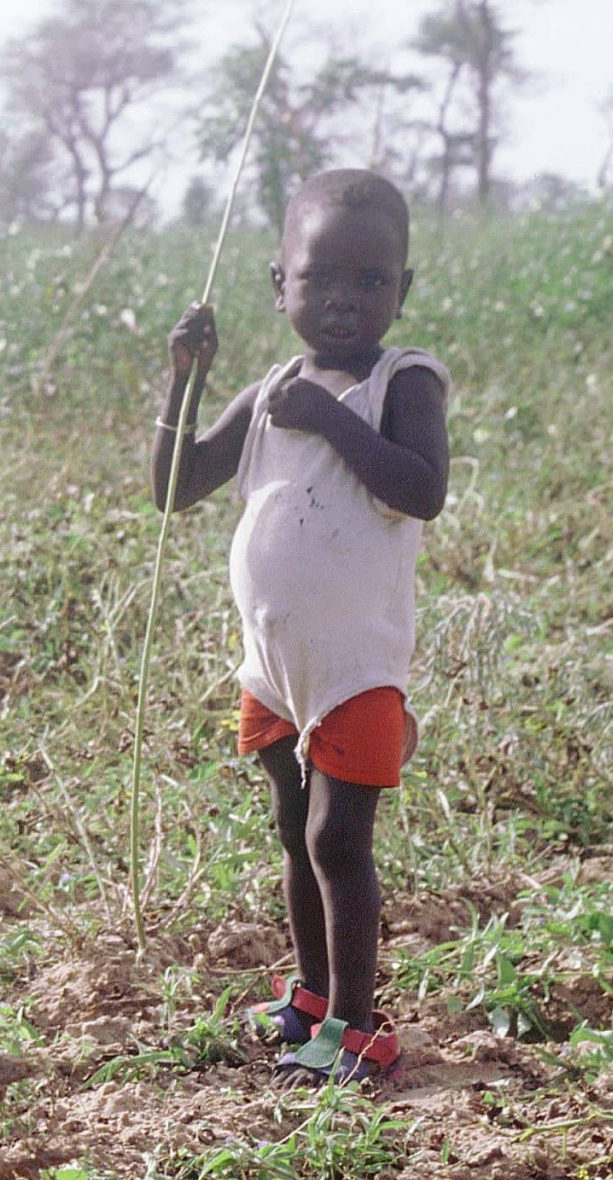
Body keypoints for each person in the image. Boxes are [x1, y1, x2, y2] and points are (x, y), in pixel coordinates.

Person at [153, 169, 451, 1084]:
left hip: (354, 663)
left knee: (337, 838)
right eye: (320, 279)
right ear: (277, 283)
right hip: (273, 663)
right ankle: (315, 997)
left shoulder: (403, 383)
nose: (344, 301)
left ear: (405, 289)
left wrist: (328, 417)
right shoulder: (271, 390)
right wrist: (184, 385)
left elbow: (421, 491)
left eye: (371, 281)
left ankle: (359, 1030)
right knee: (293, 827)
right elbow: (174, 488)